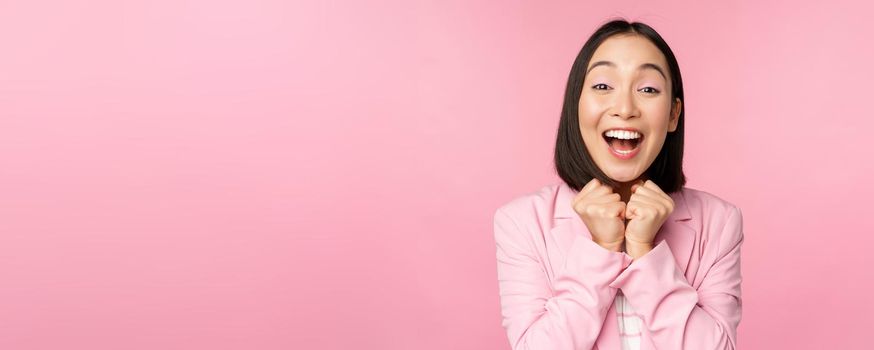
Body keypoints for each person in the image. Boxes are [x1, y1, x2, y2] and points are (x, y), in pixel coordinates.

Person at [493, 19, 743, 350]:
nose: (625, 109)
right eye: (602, 86)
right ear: (576, 105)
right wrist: (600, 249)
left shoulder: (720, 221)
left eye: (648, 89)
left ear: (673, 114)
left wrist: (644, 251)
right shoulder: (521, 222)